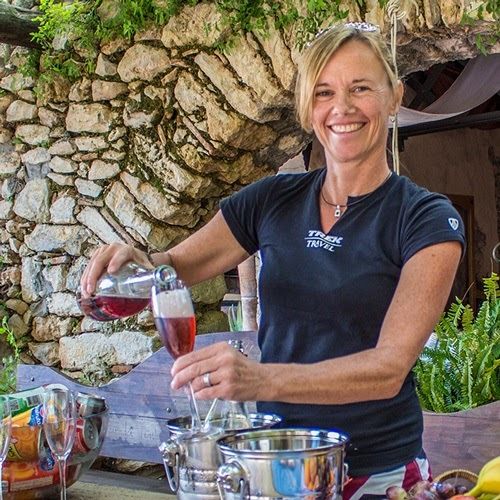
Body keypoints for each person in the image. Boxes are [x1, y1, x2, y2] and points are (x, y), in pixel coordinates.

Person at [81, 23, 465, 498]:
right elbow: (171, 267)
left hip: (378, 474)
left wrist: (258, 378)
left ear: (393, 97)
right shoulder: (271, 200)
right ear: (308, 108)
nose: (341, 108)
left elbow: (388, 370)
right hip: (272, 468)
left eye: (360, 88)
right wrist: (133, 263)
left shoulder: (426, 218)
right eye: (324, 92)